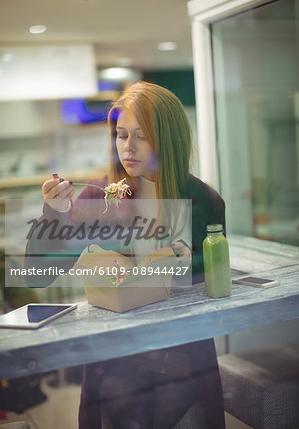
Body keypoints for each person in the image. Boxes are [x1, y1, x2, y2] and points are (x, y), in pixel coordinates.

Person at [26, 81, 226, 428]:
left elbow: (212, 280)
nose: (128, 148)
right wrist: (54, 213)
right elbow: (39, 273)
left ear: (169, 140)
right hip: (116, 357)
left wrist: (178, 264)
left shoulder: (205, 201)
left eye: (142, 136)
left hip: (183, 354)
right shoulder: (99, 197)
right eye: (121, 135)